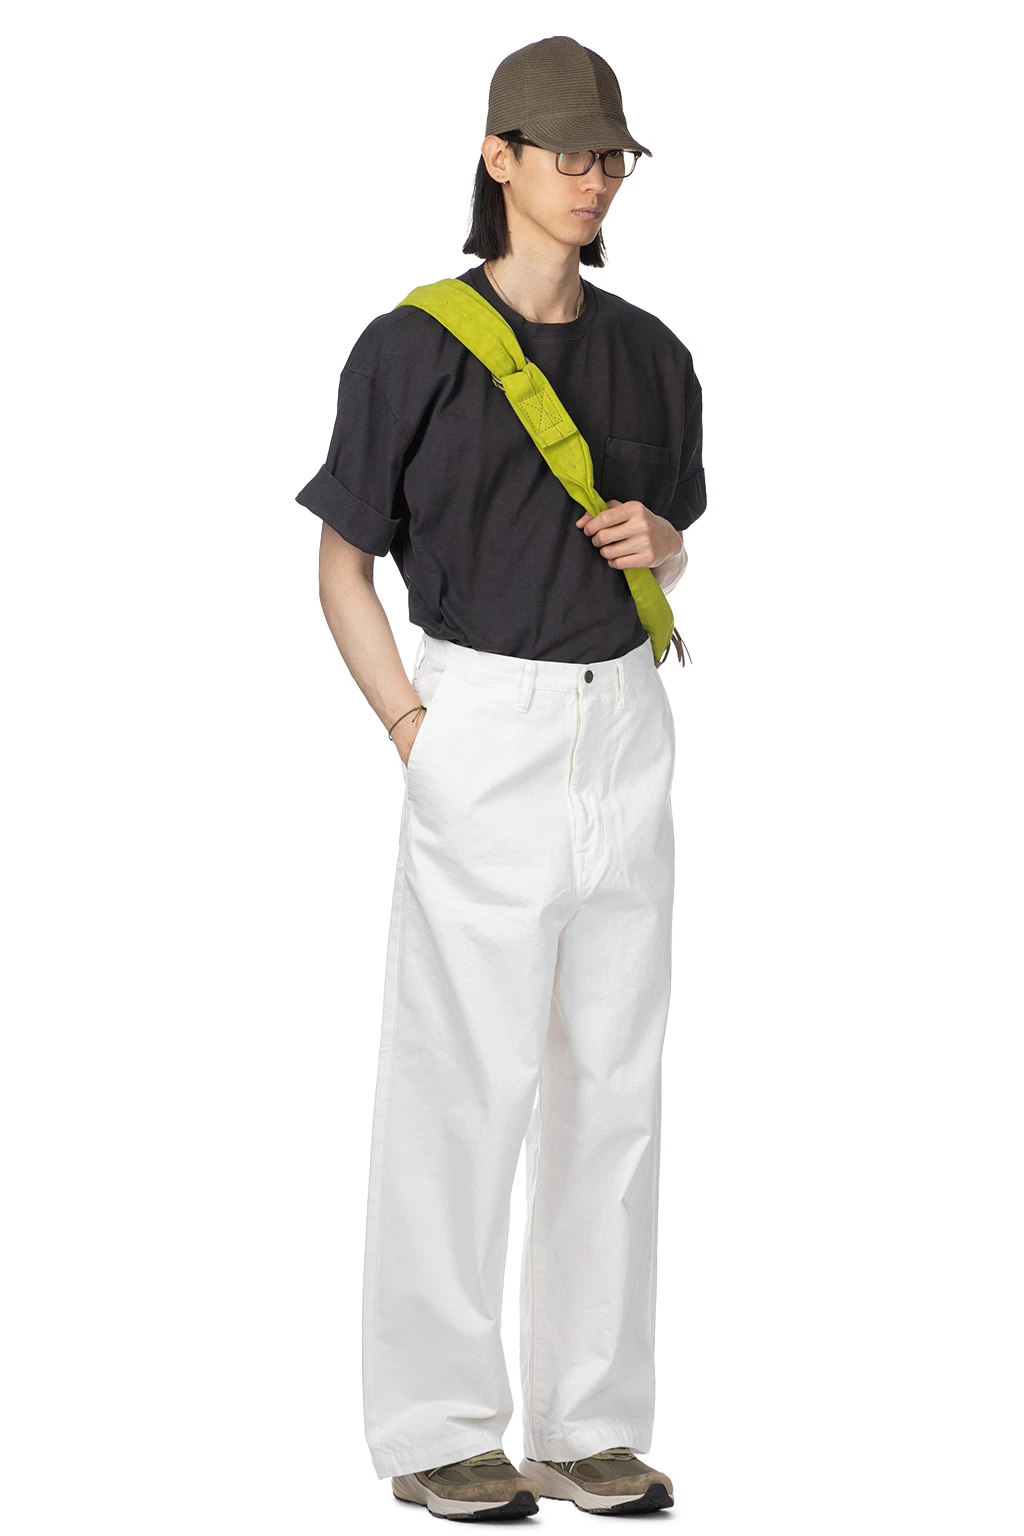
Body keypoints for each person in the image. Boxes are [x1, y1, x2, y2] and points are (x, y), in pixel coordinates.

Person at [295, 34, 707, 1523]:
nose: (594, 178)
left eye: (612, 155)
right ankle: (436, 1426)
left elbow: (669, 544)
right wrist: (415, 727)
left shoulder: (656, 353)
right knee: (458, 1086)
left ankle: (590, 1424)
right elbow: (341, 566)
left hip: (626, 726)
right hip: (480, 719)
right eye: (567, 151)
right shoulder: (410, 347)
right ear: (499, 158)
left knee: (614, 1087)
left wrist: (667, 548)